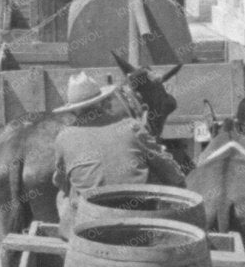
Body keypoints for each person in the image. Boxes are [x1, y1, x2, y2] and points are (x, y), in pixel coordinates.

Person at [51, 71, 186, 233]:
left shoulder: (63, 138)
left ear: (73, 111)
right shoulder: (132, 127)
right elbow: (171, 173)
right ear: (104, 102)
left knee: (62, 196)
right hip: (136, 217)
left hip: (91, 223)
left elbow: (61, 182)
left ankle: (71, 244)